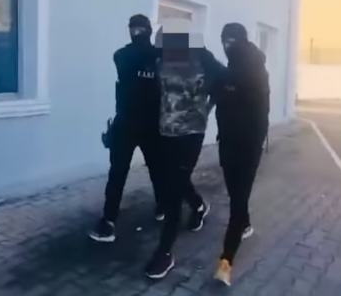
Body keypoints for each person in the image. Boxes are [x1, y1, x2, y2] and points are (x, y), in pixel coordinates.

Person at [144, 21, 225, 279]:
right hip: (165, 131)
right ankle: (198, 205)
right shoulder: (161, 59)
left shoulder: (203, 60)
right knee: (175, 179)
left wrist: (207, 107)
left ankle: (164, 252)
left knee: (173, 190)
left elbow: (223, 81)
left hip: (191, 133)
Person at [89, 14, 166, 243]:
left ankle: (109, 221)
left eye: (137, 29)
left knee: (121, 173)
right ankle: (113, 219)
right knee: (149, 170)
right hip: (143, 124)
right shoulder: (157, 56)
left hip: (132, 123)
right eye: (136, 29)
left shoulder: (123, 55)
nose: (136, 33)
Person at [214, 23, 270, 286]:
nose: (227, 46)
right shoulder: (228, 71)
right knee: (235, 193)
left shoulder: (256, 70)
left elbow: (261, 113)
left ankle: (226, 261)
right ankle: (245, 224)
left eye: (231, 42)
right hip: (227, 143)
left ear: (241, 41)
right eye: (224, 41)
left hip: (247, 147)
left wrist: (255, 143)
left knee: (237, 200)